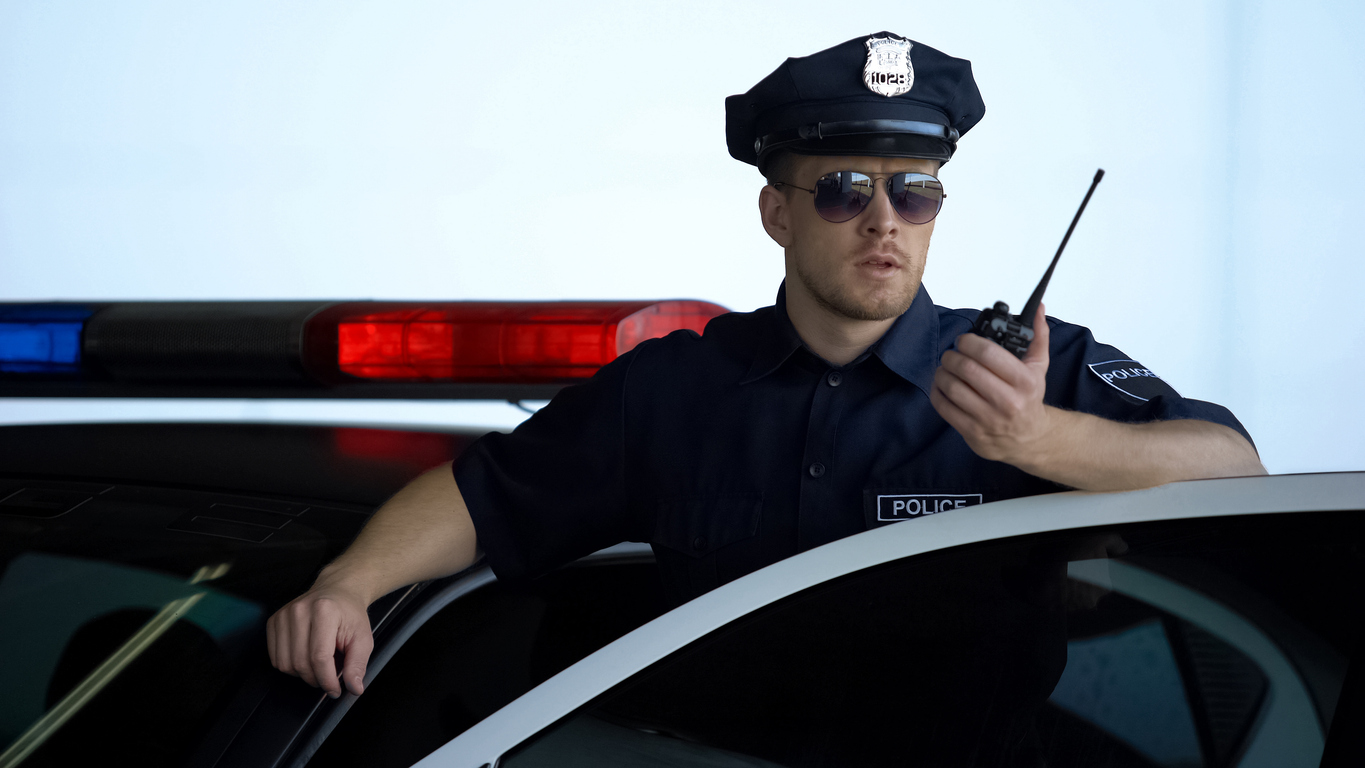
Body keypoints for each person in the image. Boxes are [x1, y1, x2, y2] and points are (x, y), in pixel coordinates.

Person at [267, 32, 1265, 699]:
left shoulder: (1023, 374)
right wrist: (347, 586)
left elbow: (1236, 472)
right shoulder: (673, 391)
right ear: (776, 212)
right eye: (844, 189)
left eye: (915, 191)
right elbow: (483, 498)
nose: (884, 220)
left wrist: (1038, 440)